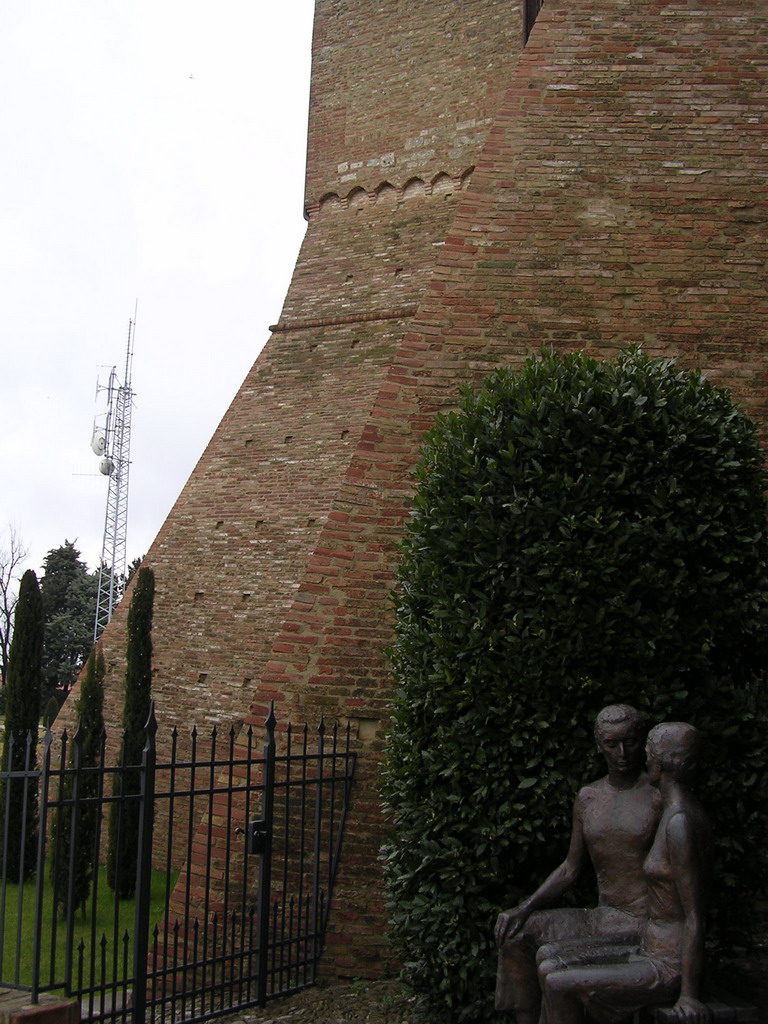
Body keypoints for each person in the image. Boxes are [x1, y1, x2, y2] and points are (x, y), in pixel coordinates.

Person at [495, 705, 662, 1024]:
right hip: (603, 916)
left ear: (642, 742)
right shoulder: (589, 797)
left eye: (630, 741)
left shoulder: (657, 797)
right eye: (612, 744)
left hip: (640, 922)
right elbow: (571, 867)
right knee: (514, 933)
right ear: (600, 746)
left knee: (551, 962)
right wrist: (525, 907)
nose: (622, 752)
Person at [536, 722, 713, 1024]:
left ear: (663, 762)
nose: (643, 760)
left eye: (648, 754)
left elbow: (695, 914)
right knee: (548, 963)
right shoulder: (672, 813)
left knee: (556, 981)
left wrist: (688, 995)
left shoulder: (679, 823)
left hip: (664, 962)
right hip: (649, 946)